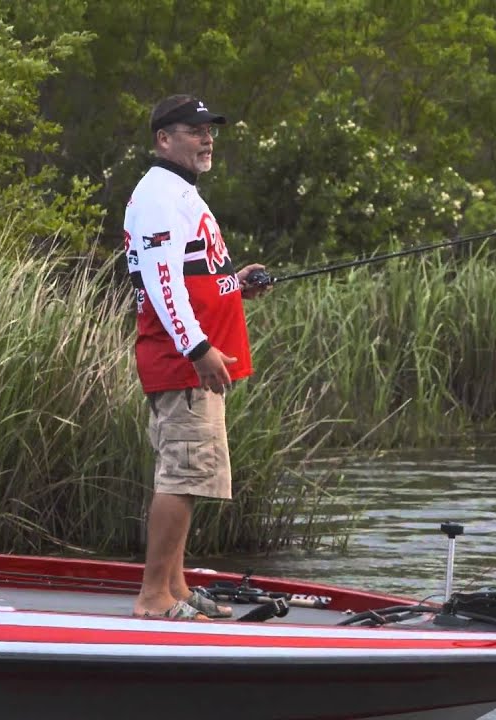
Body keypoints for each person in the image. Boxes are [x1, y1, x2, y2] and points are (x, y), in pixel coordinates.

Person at [123, 96, 272, 620]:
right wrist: (199, 348)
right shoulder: (161, 196)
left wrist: (235, 283)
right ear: (164, 138)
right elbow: (163, 285)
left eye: (210, 130)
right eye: (194, 130)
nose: (207, 139)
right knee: (182, 478)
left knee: (186, 476)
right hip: (183, 362)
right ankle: (154, 598)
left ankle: (177, 587)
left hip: (189, 359)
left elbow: (189, 272)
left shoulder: (178, 193)